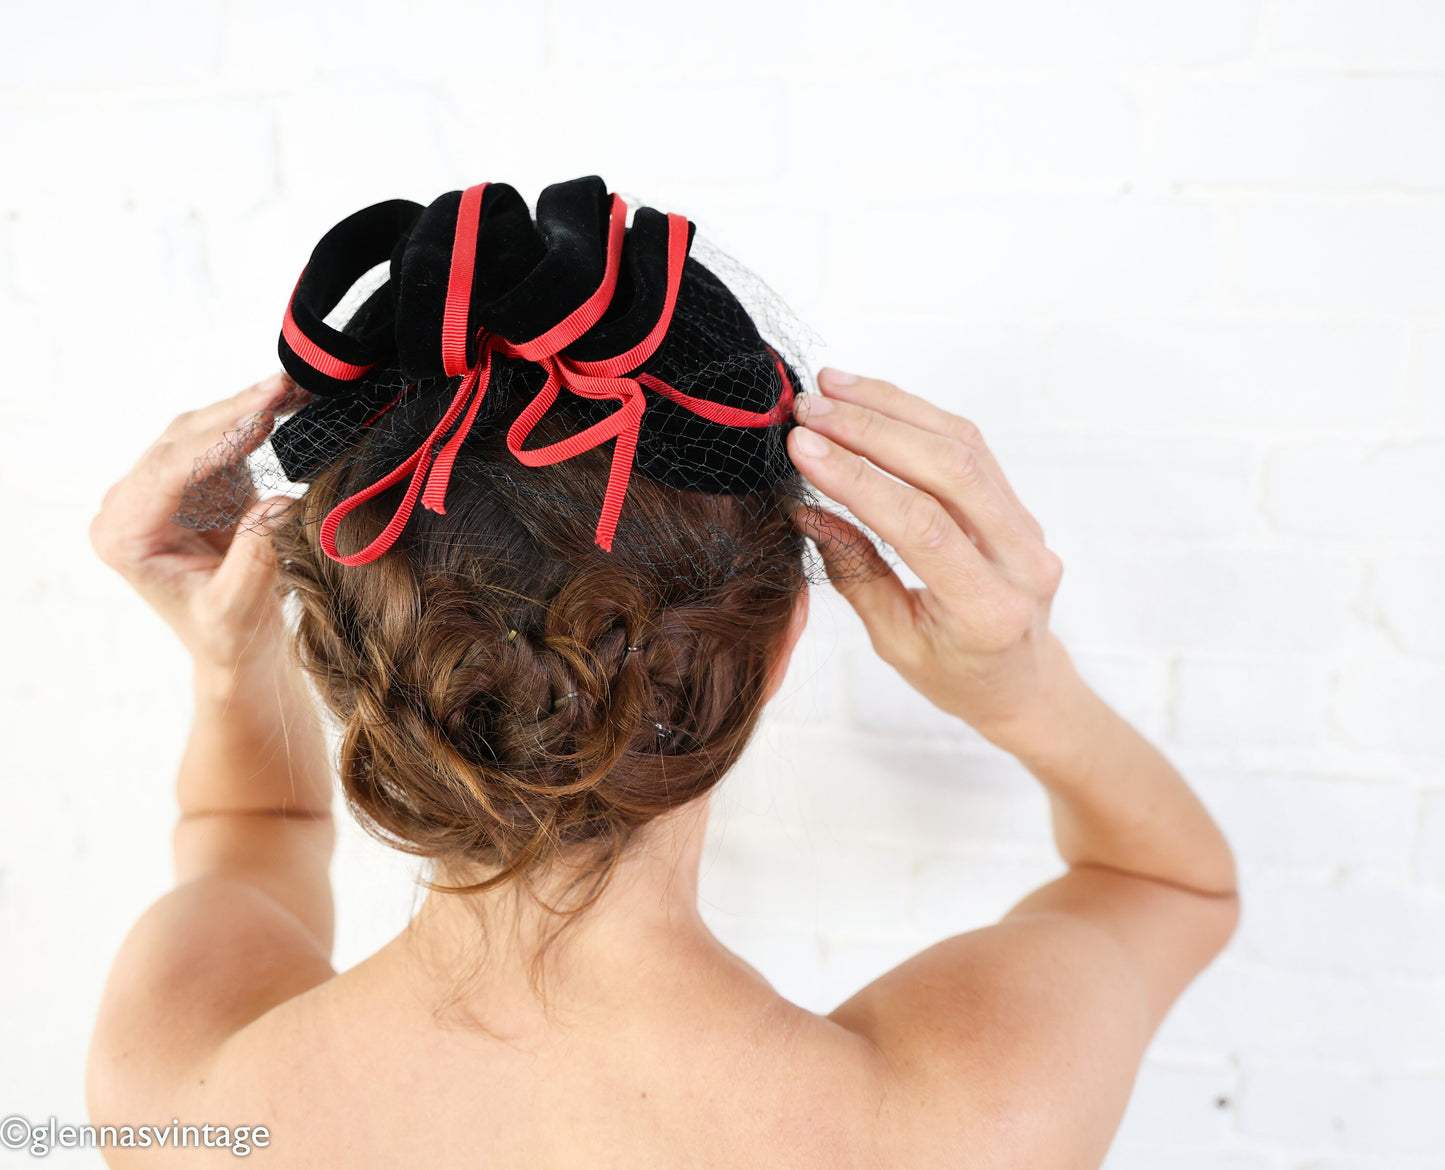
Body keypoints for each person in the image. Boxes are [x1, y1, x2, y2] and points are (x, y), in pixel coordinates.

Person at [85, 183, 1239, 1169]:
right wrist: (1016, 685)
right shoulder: (956, 1127)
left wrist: (229, 665)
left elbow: (248, 831)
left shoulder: (177, 1095)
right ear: (778, 645)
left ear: (341, 657)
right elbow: (1167, 884)